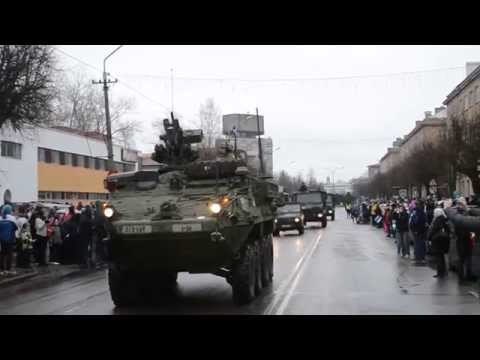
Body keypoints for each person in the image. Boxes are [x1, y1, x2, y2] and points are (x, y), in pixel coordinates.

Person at [454, 198, 477, 283]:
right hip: (463, 240)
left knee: (466, 259)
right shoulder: (460, 215)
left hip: (464, 240)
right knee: (463, 259)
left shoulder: (459, 214)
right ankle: (463, 278)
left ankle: (466, 276)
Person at [427, 208, 450, 278]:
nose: (433, 214)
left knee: (439, 257)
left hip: (437, 241)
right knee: (442, 256)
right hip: (444, 240)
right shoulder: (445, 219)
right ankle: (444, 272)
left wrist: (429, 237)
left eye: (434, 212)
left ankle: (440, 273)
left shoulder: (437, 220)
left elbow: (433, 230)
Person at [0, 204, 18, 275]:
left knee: (2, 254)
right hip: (10, 239)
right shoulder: (12, 218)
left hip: (1, 240)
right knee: (9, 255)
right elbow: (16, 228)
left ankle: (1, 270)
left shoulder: (0, 218)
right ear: (10, 211)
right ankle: (8, 269)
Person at [410, 200, 428, 264]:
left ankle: (419, 257)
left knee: (418, 244)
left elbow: (415, 222)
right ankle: (420, 257)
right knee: (420, 244)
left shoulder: (417, 212)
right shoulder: (420, 212)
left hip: (418, 231)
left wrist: (415, 230)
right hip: (420, 231)